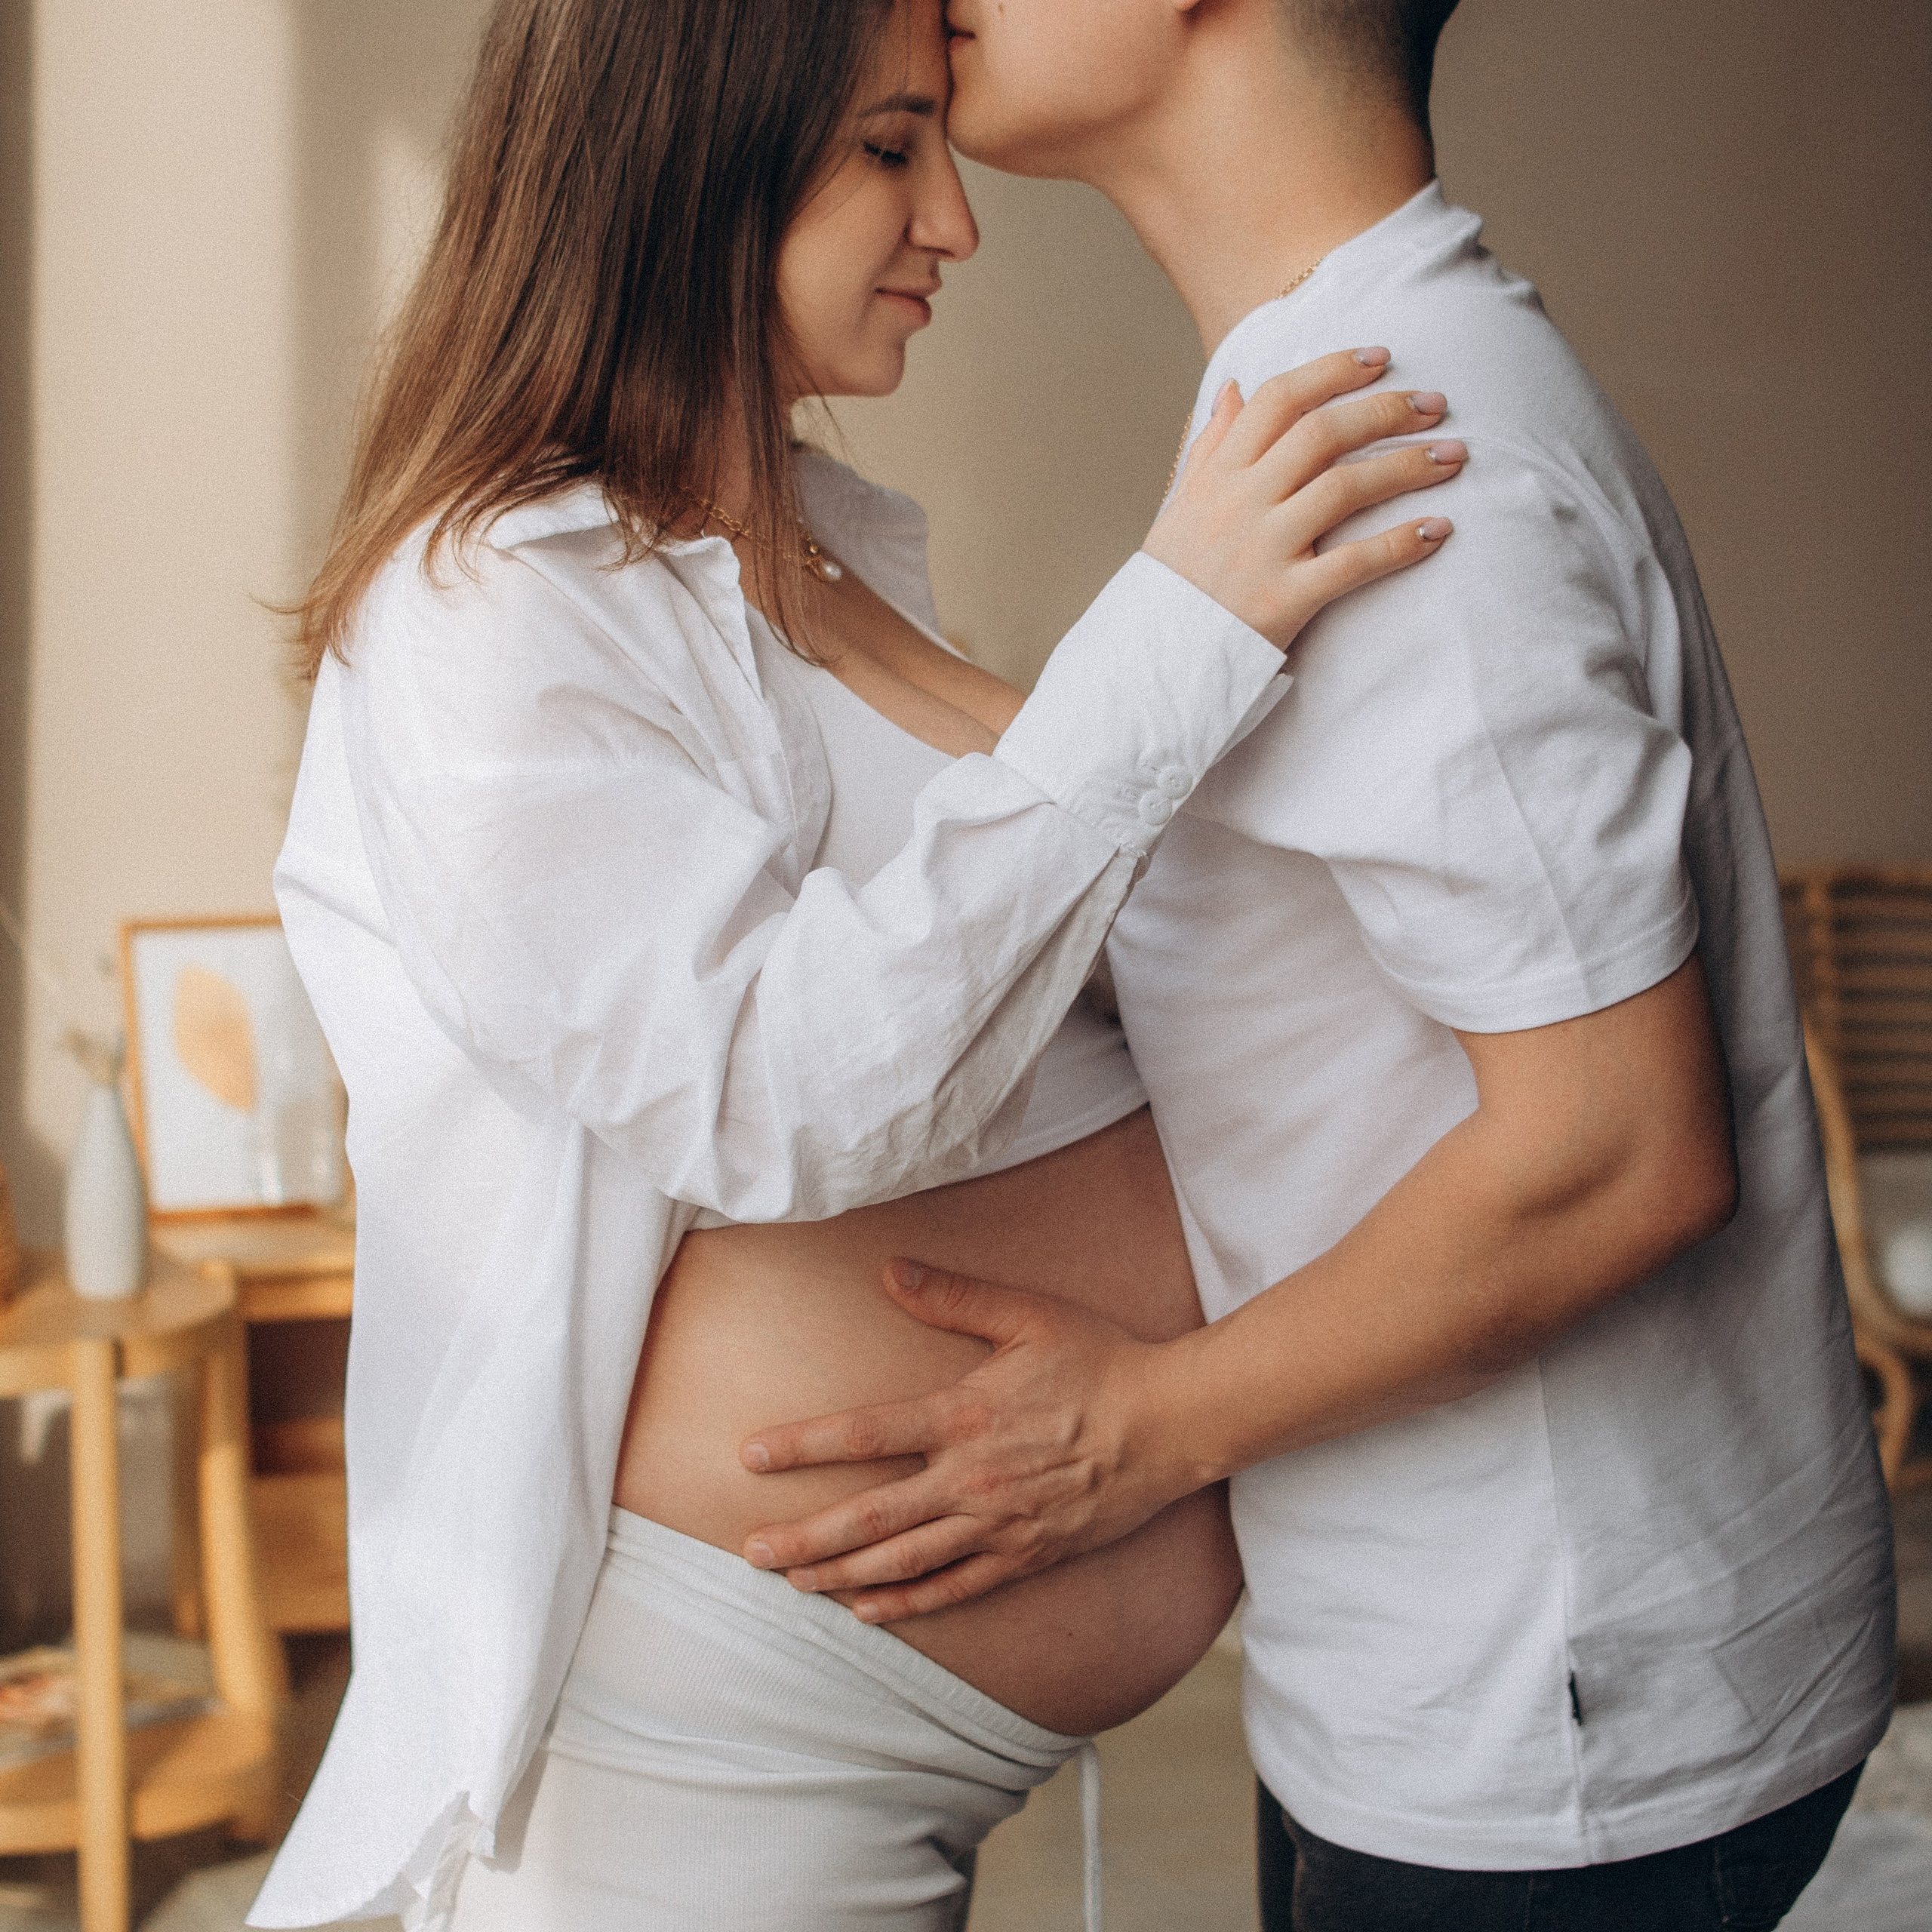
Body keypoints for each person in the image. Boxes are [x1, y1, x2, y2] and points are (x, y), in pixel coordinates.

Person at [245, 1, 1463, 1927]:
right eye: (891, 148)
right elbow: (776, 1087)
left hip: (871, 1720)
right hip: (695, 1757)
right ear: (690, 165)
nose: (956, 222)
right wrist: (1168, 635)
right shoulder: (486, 607)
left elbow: (1051, 950)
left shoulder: (800, 553)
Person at [735, 3, 1897, 1927]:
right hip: (1474, 1662)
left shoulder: (1408, 455)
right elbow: (1259, 824)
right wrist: (806, 593)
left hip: (1559, 1718)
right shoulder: (1331, 387)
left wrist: (1128, 1432)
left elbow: (1619, 1148)